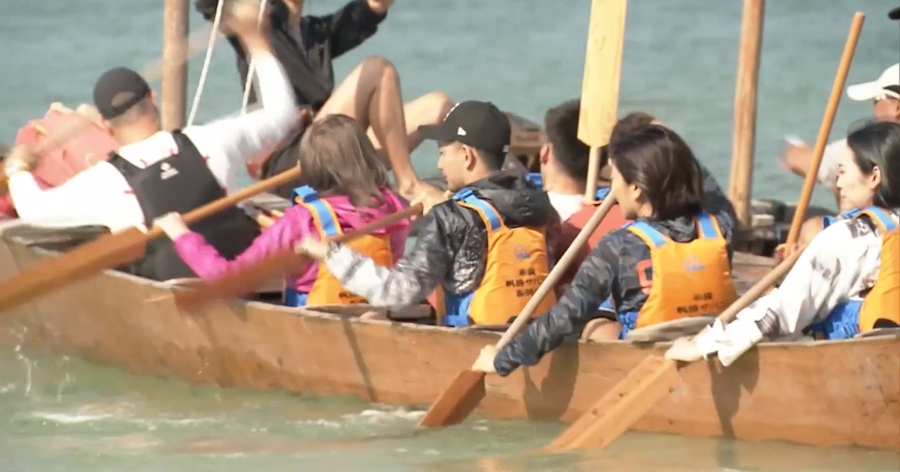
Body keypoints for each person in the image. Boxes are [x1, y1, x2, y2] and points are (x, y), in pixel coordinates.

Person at [3, 2, 298, 281]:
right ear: (152, 100)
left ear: (105, 124)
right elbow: (281, 114)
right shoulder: (211, 140)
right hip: (243, 280)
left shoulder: (104, 183)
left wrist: (17, 168)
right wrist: (255, 41)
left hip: (175, 294)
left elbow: (35, 210)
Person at [468, 124, 739, 376]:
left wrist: (501, 359)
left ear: (636, 188)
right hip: (710, 347)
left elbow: (563, 319)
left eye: (615, 177)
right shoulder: (721, 228)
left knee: (595, 323)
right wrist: (667, 144)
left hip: (646, 364)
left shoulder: (619, 246)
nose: (612, 189)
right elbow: (710, 188)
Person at [293, 100, 559, 326]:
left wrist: (332, 255)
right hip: (531, 337)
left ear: (466, 155)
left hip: (472, 346)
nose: (439, 164)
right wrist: (447, 206)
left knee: (377, 315)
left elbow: (395, 293)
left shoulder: (451, 218)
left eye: (443, 153)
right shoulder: (539, 204)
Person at [667, 121, 900, 367]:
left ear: (874, 176)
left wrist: (705, 344)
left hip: (858, 366)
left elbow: (783, 312)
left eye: (842, 172)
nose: (838, 183)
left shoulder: (846, 237)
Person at [195, 0, 453, 206]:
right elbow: (210, 5)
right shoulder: (259, 24)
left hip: (332, 151)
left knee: (437, 106)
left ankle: (462, 183)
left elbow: (371, 7)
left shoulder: (316, 33)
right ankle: (408, 184)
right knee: (377, 70)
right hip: (292, 166)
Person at [154, 114, 411, 306]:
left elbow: (230, 281)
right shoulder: (392, 207)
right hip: (373, 309)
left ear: (310, 167)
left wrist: (182, 235)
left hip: (313, 326)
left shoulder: (301, 221)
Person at [780, 63, 900, 208]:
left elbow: (813, 163)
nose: (874, 106)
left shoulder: (873, 146)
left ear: (897, 107)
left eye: (877, 99)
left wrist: (793, 152)